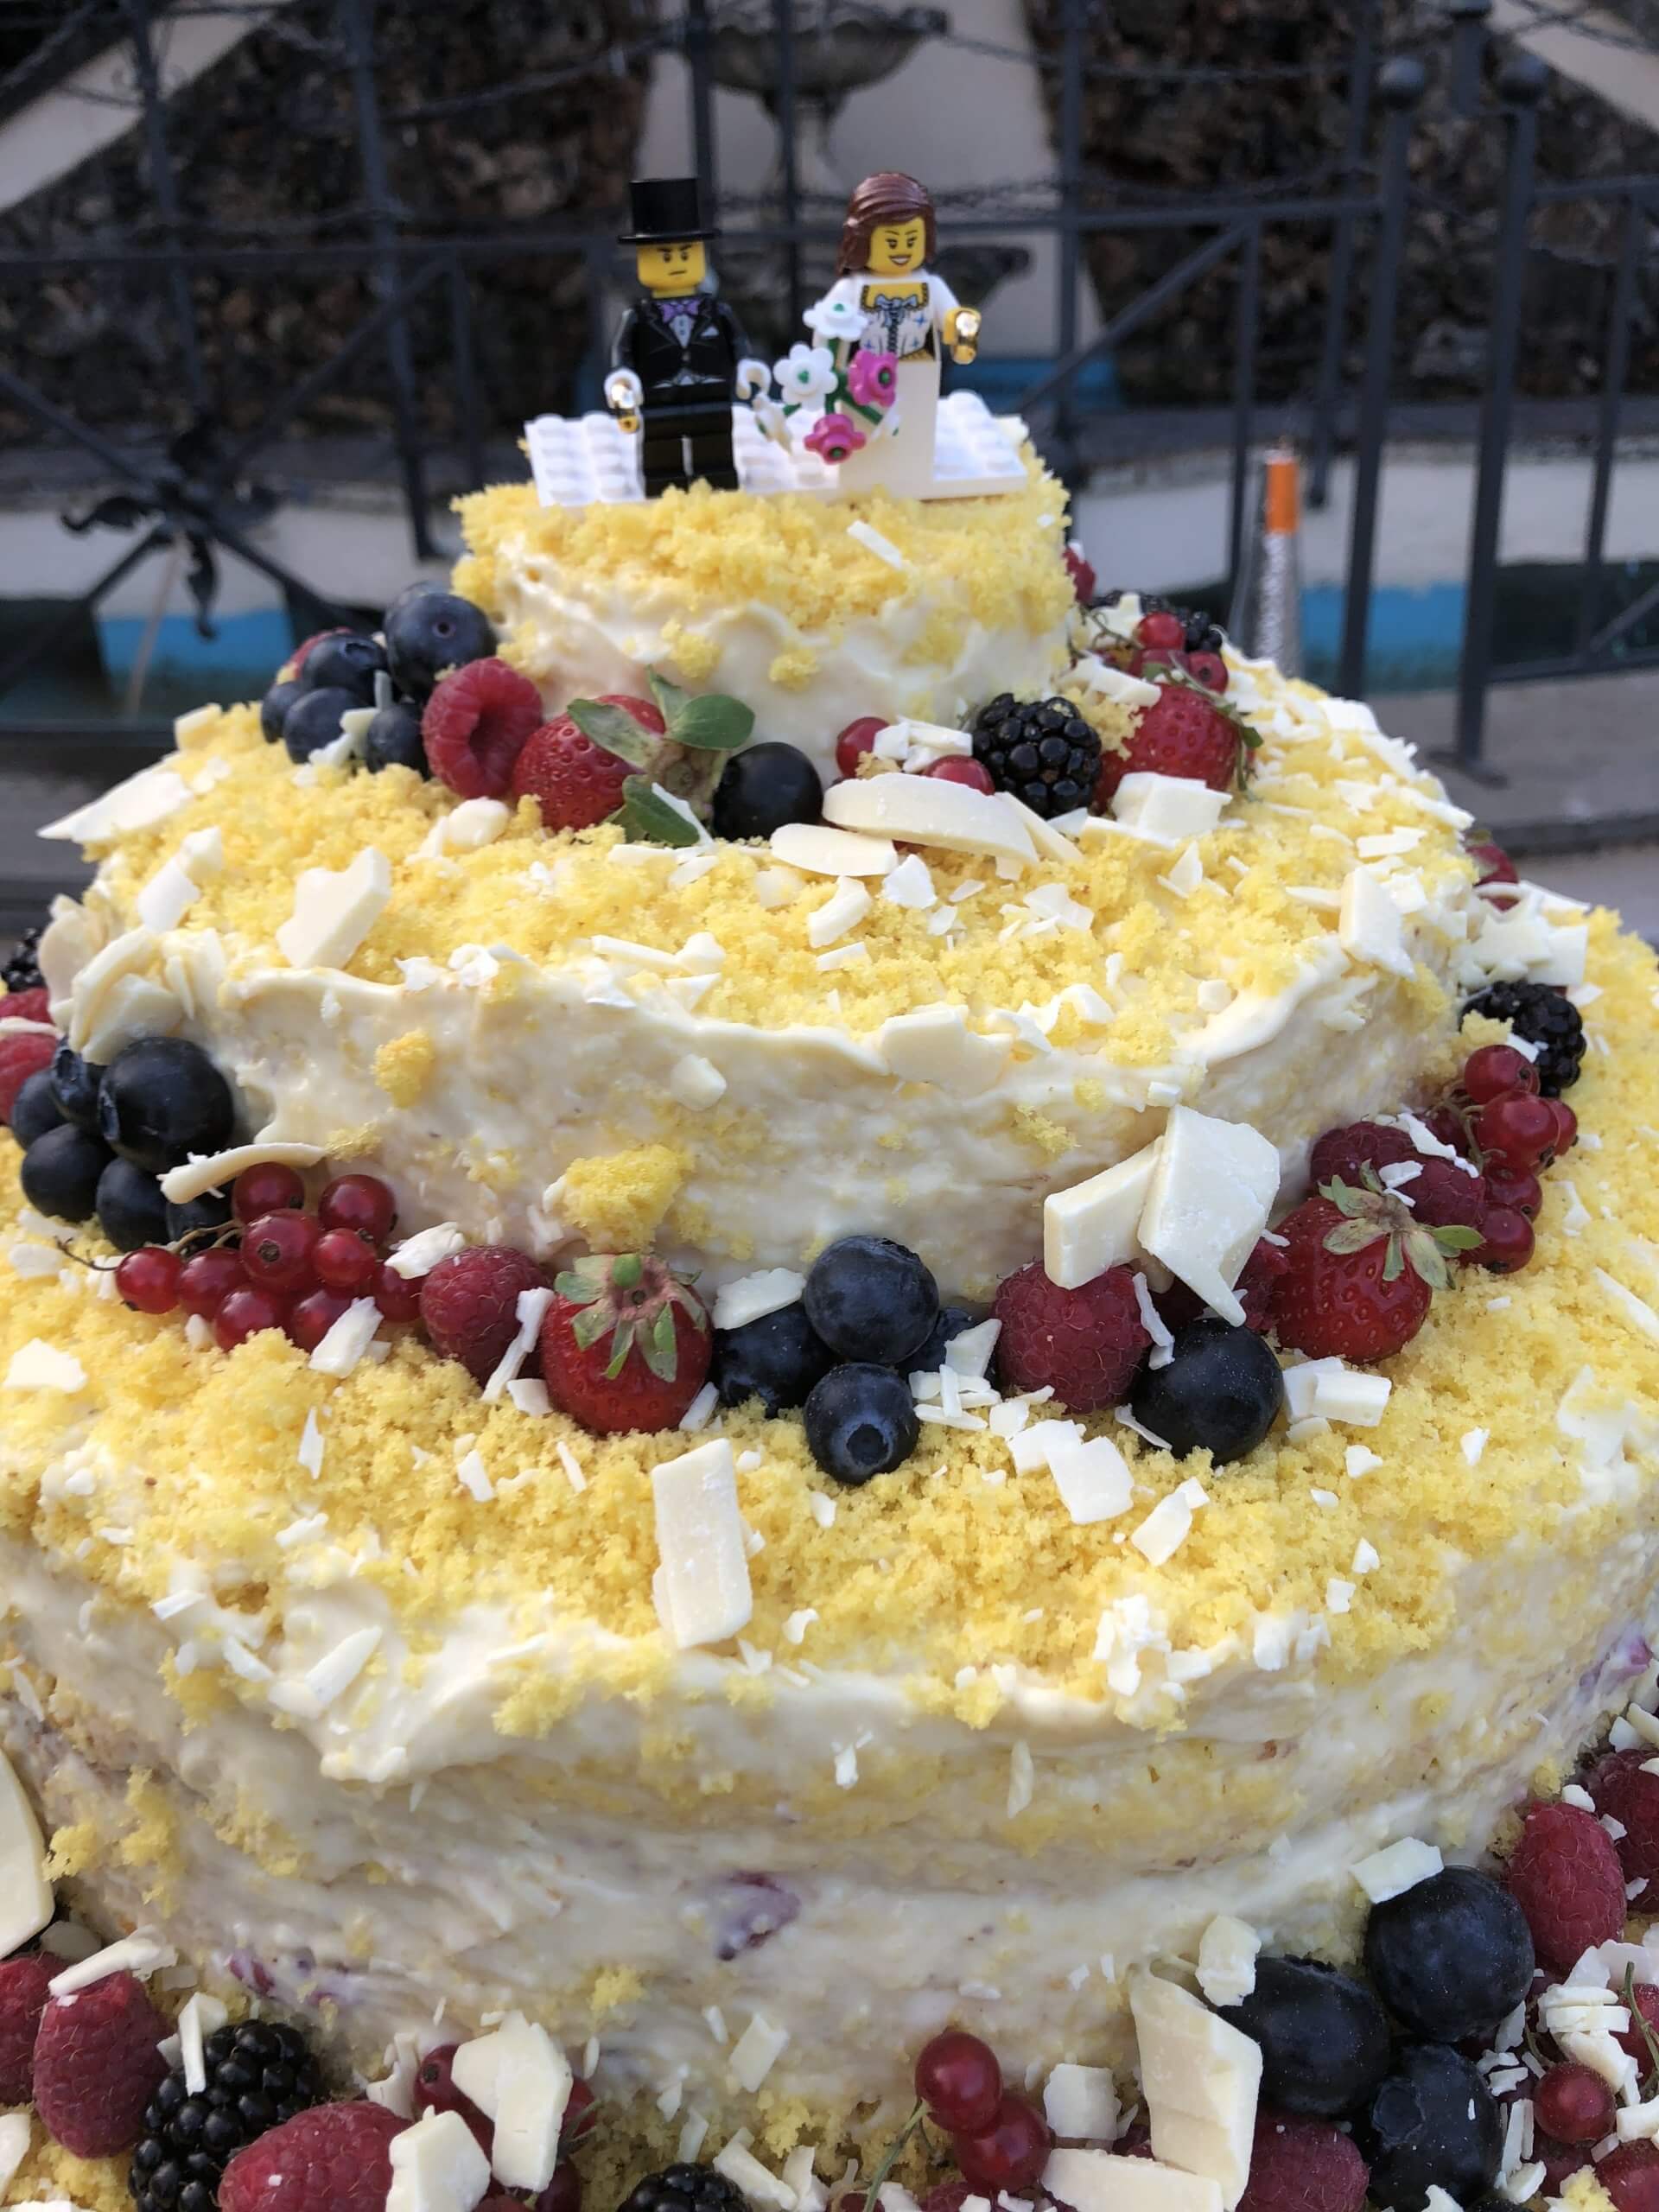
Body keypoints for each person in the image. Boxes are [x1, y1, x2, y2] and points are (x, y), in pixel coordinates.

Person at [804, 171, 981, 498]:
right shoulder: (852, 289)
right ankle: (861, 485)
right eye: (891, 242)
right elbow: (828, 323)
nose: (901, 250)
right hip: (863, 374)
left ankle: (912, 480)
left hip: (919, 369)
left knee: (915, 429)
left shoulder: (931, 286)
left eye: (911, 241)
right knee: (866, 436)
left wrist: (962, 331)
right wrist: (827, 360)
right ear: (863, 241)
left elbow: (952, 317)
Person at [605, 177, 770, 499]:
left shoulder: (716, 310)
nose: (678, 263)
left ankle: (719, 488)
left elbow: (737, 341)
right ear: (643, 260)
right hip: (659, 400)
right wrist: (623, 378)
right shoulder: (637, 317)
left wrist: (747, 364)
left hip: (712, 394)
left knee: (715, 448)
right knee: (662, 454)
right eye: (666, 256)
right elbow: (621, 354)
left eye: (686, 254)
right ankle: (664, 493)